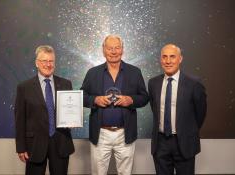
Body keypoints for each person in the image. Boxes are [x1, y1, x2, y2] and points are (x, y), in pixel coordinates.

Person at [81, 35, 148, 175]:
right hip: (101, 133)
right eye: (109, 48)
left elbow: (144, 97)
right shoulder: (93, 73)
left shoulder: (134, 72)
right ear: (103, 50)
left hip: (125, 133)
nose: (113, 51)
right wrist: (95, 100)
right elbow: (81, 97)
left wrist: (131, 100)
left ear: (122, 50)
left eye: (117, 47)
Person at [14, 45, 74, 175]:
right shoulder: (24, 87)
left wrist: (73, 120)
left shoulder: (66, 84)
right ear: (37, 63)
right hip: (34, 145)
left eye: (51, 61)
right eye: (44, 61)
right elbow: (20, 120)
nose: (48, 64)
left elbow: (70, 110)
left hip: (61, 142)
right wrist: (21, 147)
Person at [148, 44, 207, 175]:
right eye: (164, 57)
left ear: (180, 59)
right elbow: (155, 108)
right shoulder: (153, 83)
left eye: (172, 57)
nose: (168, 61)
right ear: (160, 59)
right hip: (161, 143)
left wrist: (187, 130)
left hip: (184, 143)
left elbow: (200, 114)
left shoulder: (194, 83)